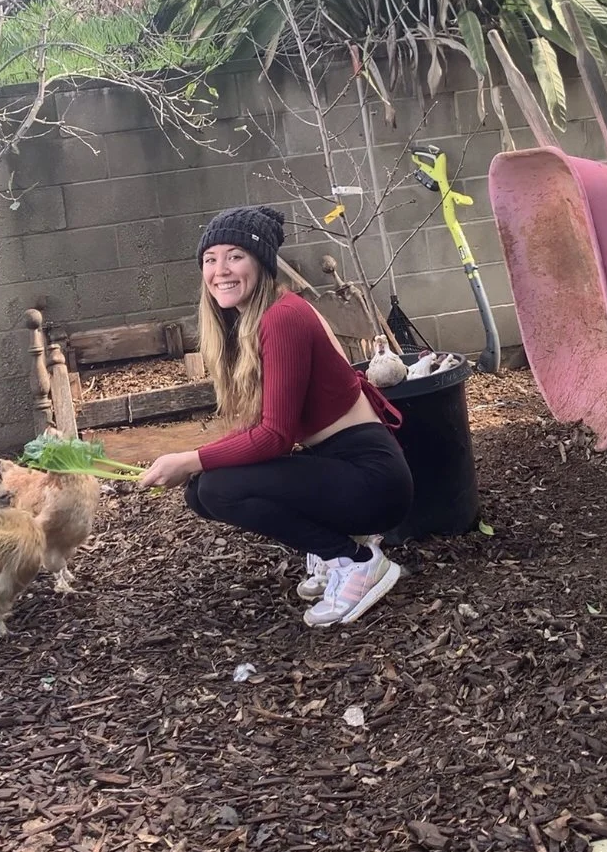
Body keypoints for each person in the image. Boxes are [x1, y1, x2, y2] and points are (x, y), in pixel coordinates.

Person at [138, 205, 414, 627]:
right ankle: (336, 548)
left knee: (215, 487)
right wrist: (196, 464)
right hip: (340, 468)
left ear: (261, 262)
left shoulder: (282, 317)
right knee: (201, 490)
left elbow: (275, 437)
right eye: (210, 259)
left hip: (372, 480)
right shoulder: (252, 320)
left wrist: (191, 458)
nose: (220, 270)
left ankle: (355, 560)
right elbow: (260, 433)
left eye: (235, 256)